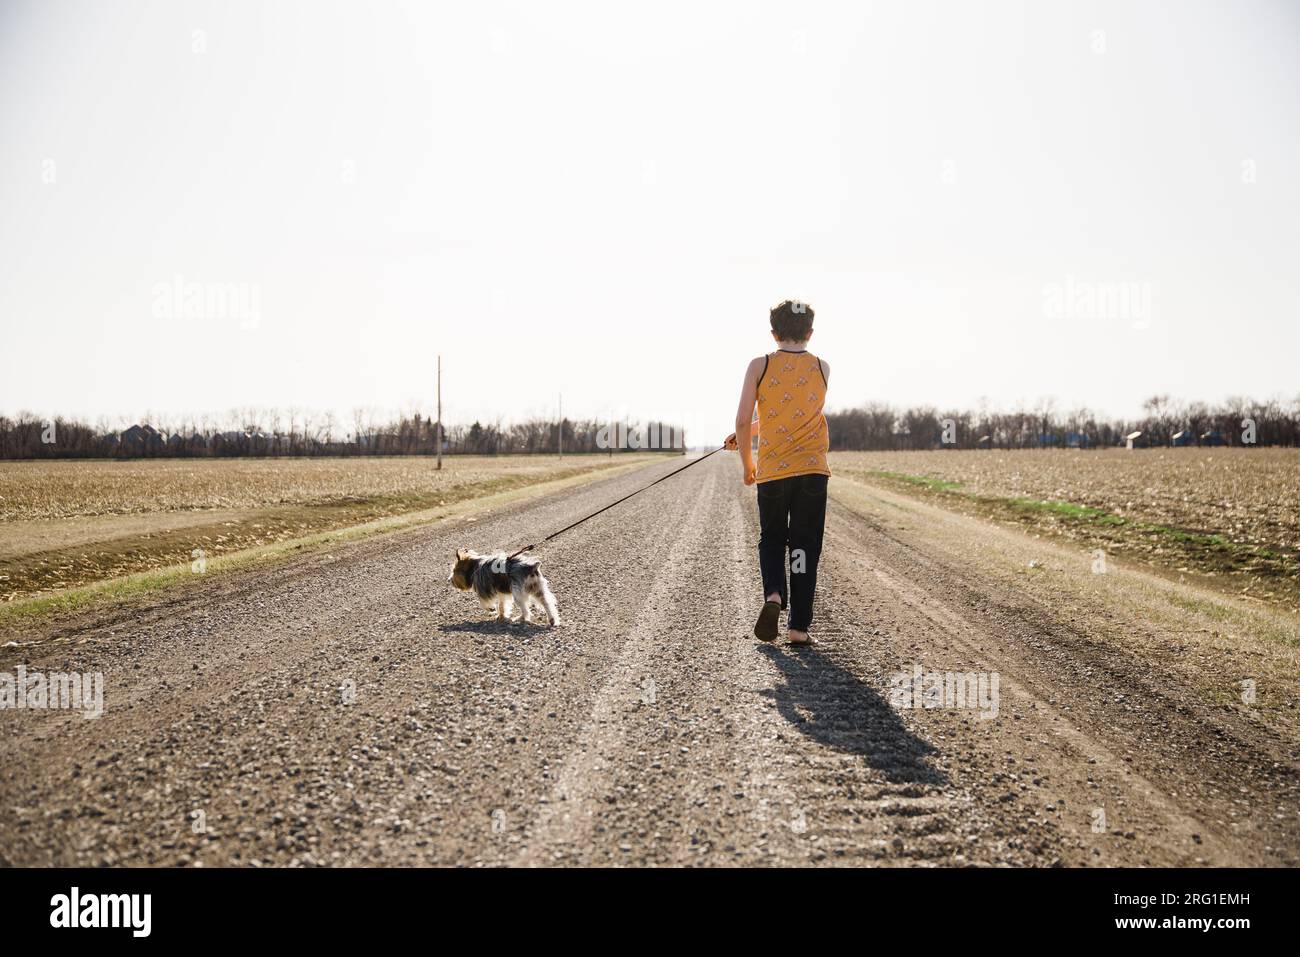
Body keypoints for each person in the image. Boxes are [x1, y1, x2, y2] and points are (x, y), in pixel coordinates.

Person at [724, 300, 831, 646]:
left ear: (773, 332)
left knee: (772, 539)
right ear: (810, 333)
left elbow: (744, 419)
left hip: (773, 472)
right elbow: (796, 418)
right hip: (812, 471)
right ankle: (798, 627)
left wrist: (746, 462)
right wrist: (749, 432)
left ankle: (773, 595)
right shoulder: (822, 368)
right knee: (804, 545)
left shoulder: (761, 365)